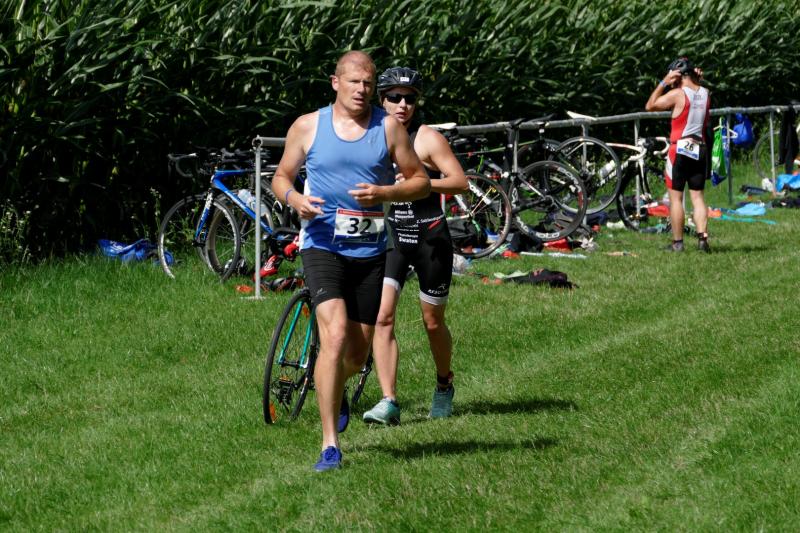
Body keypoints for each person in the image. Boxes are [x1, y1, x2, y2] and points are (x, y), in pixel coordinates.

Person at [270, 51, 430, 472]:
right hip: (322, 245)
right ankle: (330, 445)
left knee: (357, 356)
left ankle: (337, 386)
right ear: (335, 82)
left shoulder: (388, 128)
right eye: (354, 81)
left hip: (371, 251)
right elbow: (281, 177)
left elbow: (420, 182)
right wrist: (295, 199)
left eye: (368, 83)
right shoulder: (309, 126)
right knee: (335, 333)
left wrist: (384, 194)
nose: (362, 90)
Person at [362, 67, 468, 426]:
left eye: (409, 98)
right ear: (382, 100)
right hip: (392, 236)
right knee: (382, 316)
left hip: (429, 238)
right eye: (394, 97)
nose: (402, 104)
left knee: (432, 322)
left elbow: (460, 182)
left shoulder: (427, 138)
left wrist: (419, 183)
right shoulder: (372, 137)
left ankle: (444, 383)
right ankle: (388, 400)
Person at [645, 56, 712, 253]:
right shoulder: (705, 93)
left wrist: (663, 83)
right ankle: (702, 239)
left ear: (678, 75)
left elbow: (650, 105)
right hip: (700, 148)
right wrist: (696, 79)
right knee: (697, 197)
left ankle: (677, 243)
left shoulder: (677, 94)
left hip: (679, 149)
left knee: (676, 198)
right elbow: (696, 92)